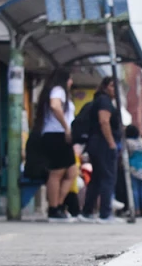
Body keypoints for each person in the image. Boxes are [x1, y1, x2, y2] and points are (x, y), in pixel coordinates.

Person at [34, 68, 78, 222]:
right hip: (56, 135)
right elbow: (55, 106)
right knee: (56, 173)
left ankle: (58, 205)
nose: (72, 82)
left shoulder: (55, 91)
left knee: (72, 172)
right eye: (70, 79)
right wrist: (66, 127)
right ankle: (53, 209)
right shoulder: (58, 90)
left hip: (58, 136)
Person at [79, 77, 122, 223]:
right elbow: (104, 121)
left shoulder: (100, 100)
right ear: (104, 87)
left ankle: (87, 211)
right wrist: (111, 143)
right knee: (107, 177)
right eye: (112, 86)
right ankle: (105, 213)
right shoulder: (104, 101)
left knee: (97, 179)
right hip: (103, 143)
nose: (114, 89)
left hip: (95, 143)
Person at [125, 125, 142, 218]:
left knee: (134, 189)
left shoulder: (128, 142)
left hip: (133, 166)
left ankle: (136, 210)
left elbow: (126, 153)